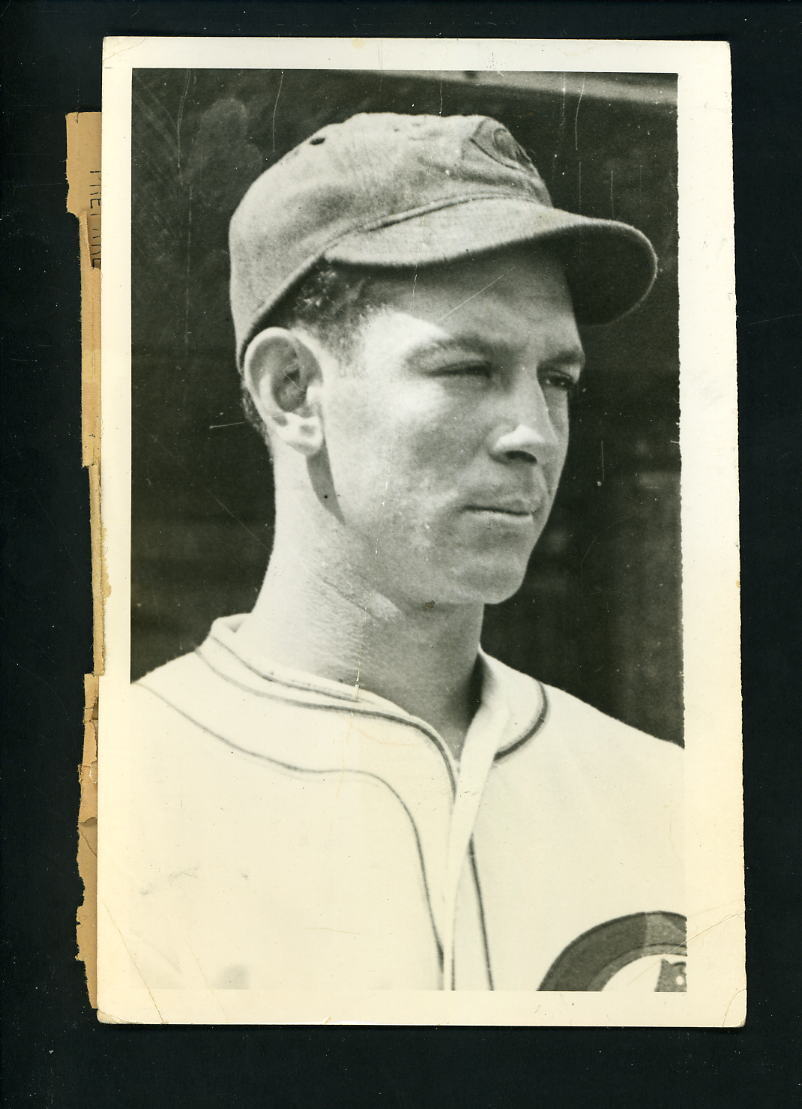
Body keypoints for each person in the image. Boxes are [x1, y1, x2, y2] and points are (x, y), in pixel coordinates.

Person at [115, 112, 685, 993]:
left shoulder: (673, 800)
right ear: (292, 390)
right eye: (467, 368)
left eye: (557, 379)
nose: (535, 433)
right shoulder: (114, 804)